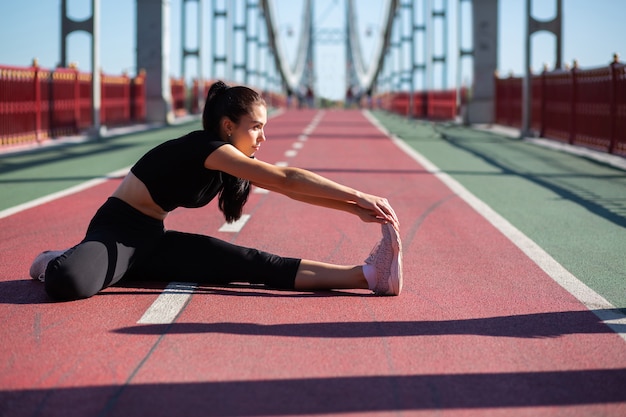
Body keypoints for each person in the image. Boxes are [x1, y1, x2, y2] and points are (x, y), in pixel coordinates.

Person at [29, 81, 403, 301]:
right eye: (255, 127)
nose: (263, 137)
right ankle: (58, 257)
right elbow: (284, 178)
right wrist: (357, 196)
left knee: (253, 263)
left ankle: (369, 276)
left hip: (151, 241)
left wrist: (353, 210)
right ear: (228, 126)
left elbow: (290, 189)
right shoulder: (207, 149)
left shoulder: (229, 160)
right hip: (117, 230)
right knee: (68, 281)